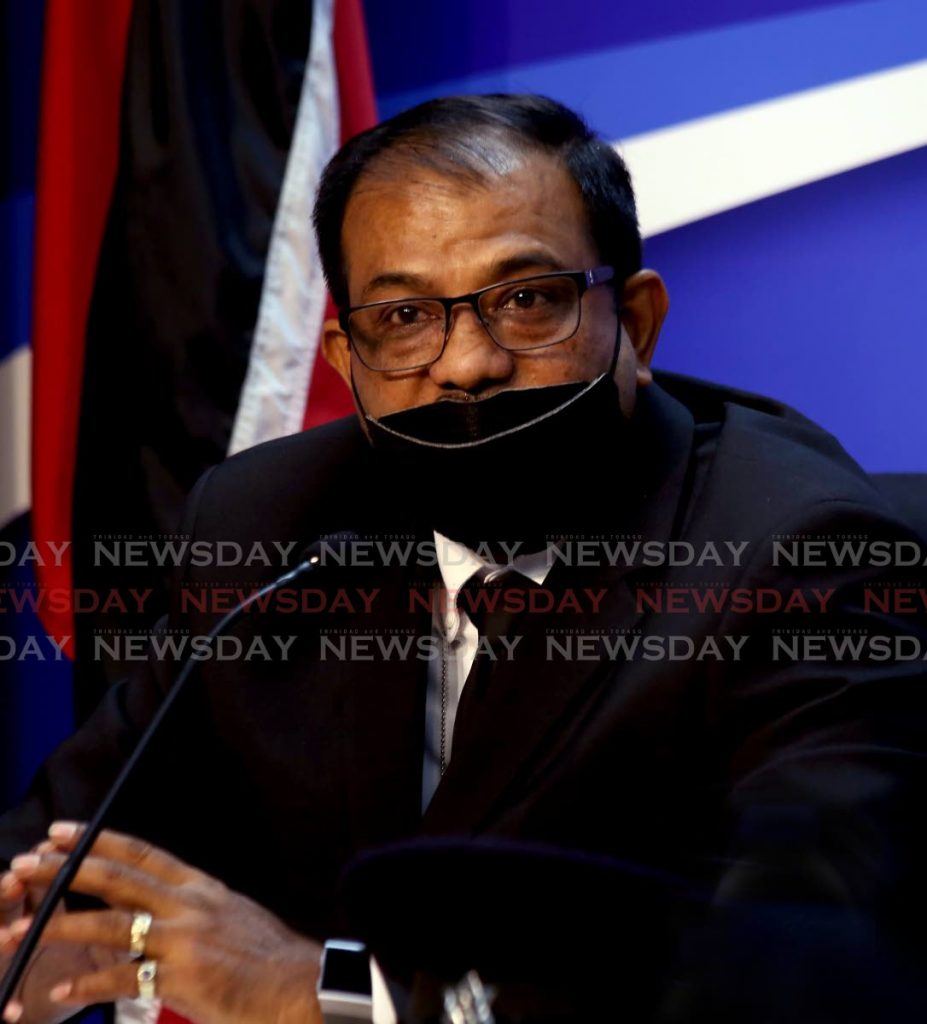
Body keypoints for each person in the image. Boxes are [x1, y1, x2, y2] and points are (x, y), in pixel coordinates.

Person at [1, 94, 925, 1023]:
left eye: (525, 301)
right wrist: (29, 941)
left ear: (636, 326)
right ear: (348, 361)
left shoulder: (796, 557)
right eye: (403, 316)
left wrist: (320, 994)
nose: (466, 365)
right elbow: (75, 841)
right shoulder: (267, 529)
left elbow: (806, 979)